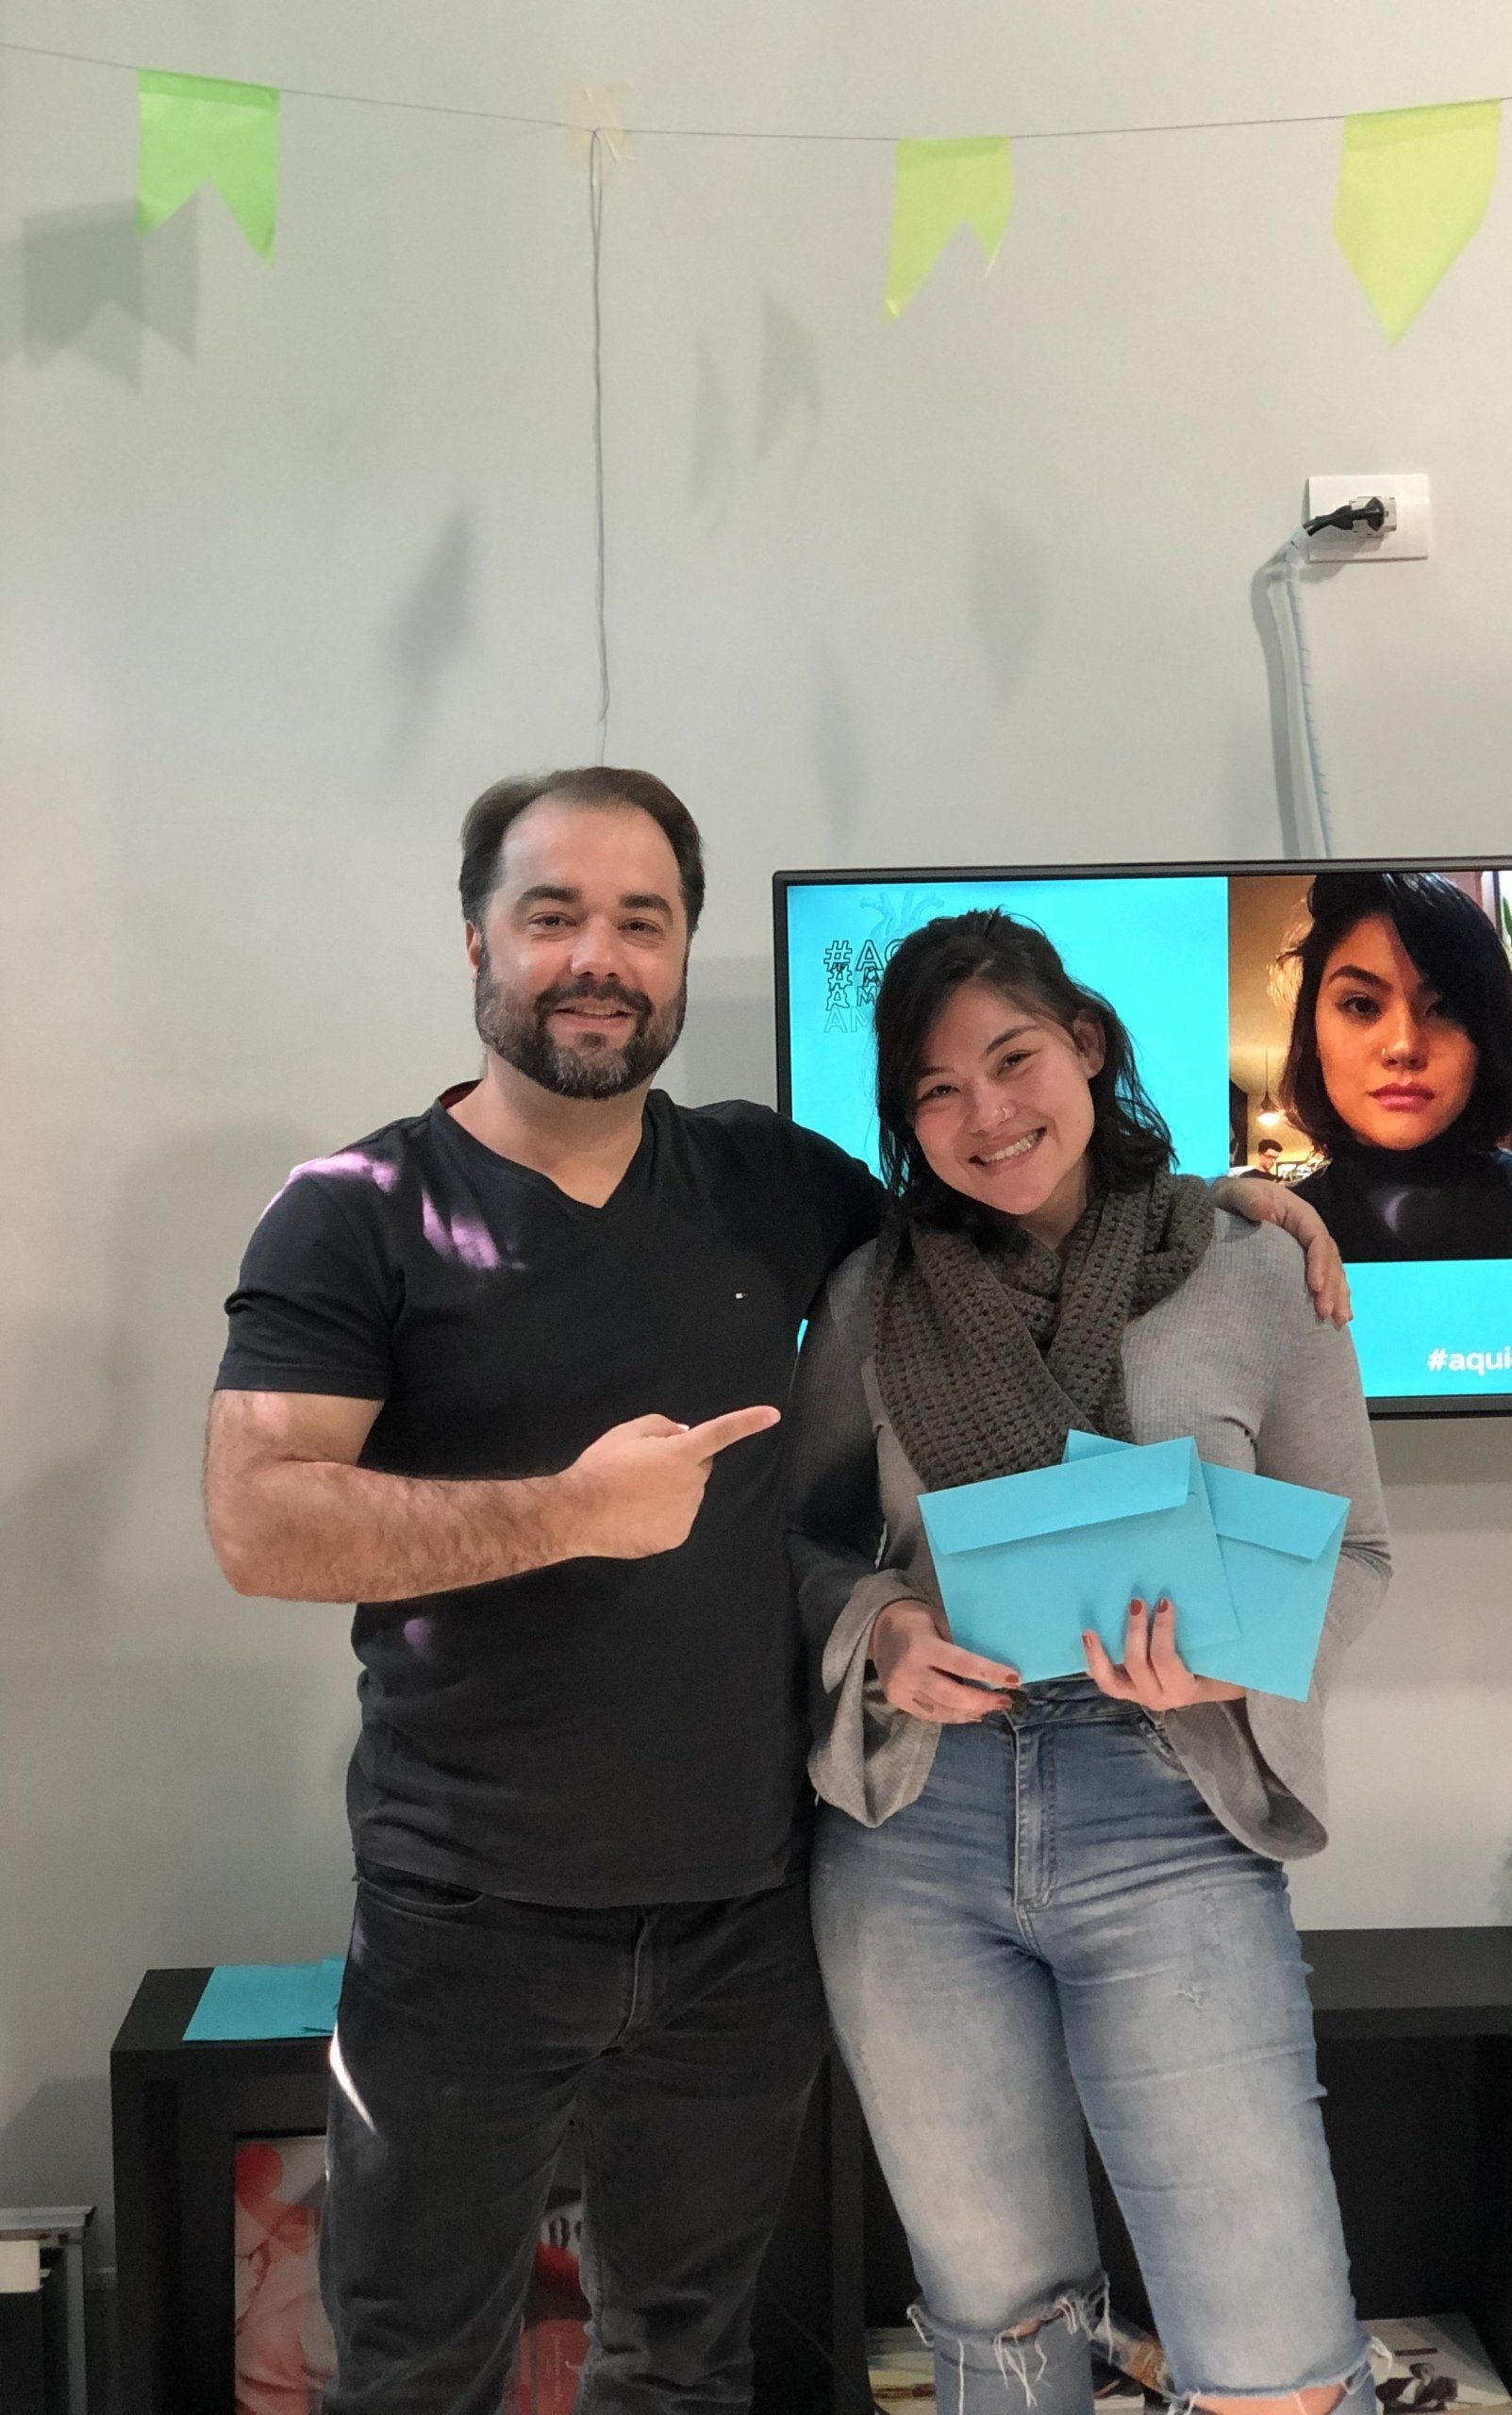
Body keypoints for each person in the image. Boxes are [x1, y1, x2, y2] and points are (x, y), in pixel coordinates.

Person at [203, 769, 1345, 2415]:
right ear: (476, 940)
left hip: (752, 1907)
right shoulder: (357, 1215)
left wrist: (1224, 1203)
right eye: (552, 914)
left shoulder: (770, 1183)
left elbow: (1001, 1207)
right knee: (412, 2373)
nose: (597, 955)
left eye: (641, 920)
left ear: (680, 956)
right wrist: (567, 1516)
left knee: (681, 2364)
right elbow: (260, 1523)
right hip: (468, 1919)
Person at [788, 909, 1391, 2415]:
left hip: (1171, 1813)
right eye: (937, 1090)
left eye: (1014, 1058)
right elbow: (787, 1556)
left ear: (1091, 1048)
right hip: (916, 1834)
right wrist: (882, 1630)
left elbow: (1356, 1554)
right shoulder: (873, 1297)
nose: (986, 1114)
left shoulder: (1253, 1263)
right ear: (905, 1119)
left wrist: (1226, 1668)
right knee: (1001, 2339)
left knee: (1273, 2361)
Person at [1277, 871, 1512, 1262]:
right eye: (1361, 1005)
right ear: (1313, 1030)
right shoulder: (1270, 1237)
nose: (1404, 1046)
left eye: (1445, 1008)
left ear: (1484, 1036)